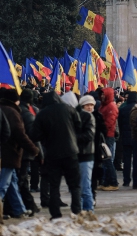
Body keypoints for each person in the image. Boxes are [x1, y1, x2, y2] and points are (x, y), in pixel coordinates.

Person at [31, 90, 83, 219]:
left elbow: (34, 135)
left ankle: (55, 214)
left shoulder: (42, 114)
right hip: (71, 151)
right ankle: (77, 211)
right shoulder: (69, 109)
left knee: (54, 185)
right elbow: (79, 125)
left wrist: (46, 137)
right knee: (74, 185)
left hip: (52, 154)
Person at [0, 88, 38, 219]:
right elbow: (20, 134)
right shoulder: (12, 112)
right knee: (4, 184)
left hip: (7, 153)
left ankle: (19, 209)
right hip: (10, 153)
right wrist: (34, 149)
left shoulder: (4, 110)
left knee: (12, 183)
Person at [17, 89, 40, 215]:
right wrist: (37, 151)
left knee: (20, 179)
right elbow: (33, 135)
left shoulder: (18, 111)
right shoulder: (28, 114)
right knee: (21, 179)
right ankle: (25, 205)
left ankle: (26, 204)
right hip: (24, 151)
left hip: (17, 150)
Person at [76, 95, 97, 212]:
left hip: (87, 154)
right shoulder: (78, 116)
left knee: (85, 186)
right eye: (87, 105)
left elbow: (89, 135)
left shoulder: (90, 117)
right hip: (80, 154)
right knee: (80, 185)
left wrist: (73, 137)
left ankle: (88, 210)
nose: (89, 107)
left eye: (91, 105)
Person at [98, 87, 119, 191]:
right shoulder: (104, 105)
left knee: (108, 159)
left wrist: (102, 129)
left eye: (103, 94)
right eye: (101, 94)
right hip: (103, 135)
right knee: (105, 159)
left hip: (108, 136)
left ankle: (113, 182)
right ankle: (106, 182)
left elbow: (109, 123)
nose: (101, 96)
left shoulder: (111, 106)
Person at [118, 92, 137, 187]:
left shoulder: (123, 108)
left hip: (125, 137)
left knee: (127, 160)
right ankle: (136, 180)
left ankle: (126, 180)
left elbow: (120, 123)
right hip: (136, 137)